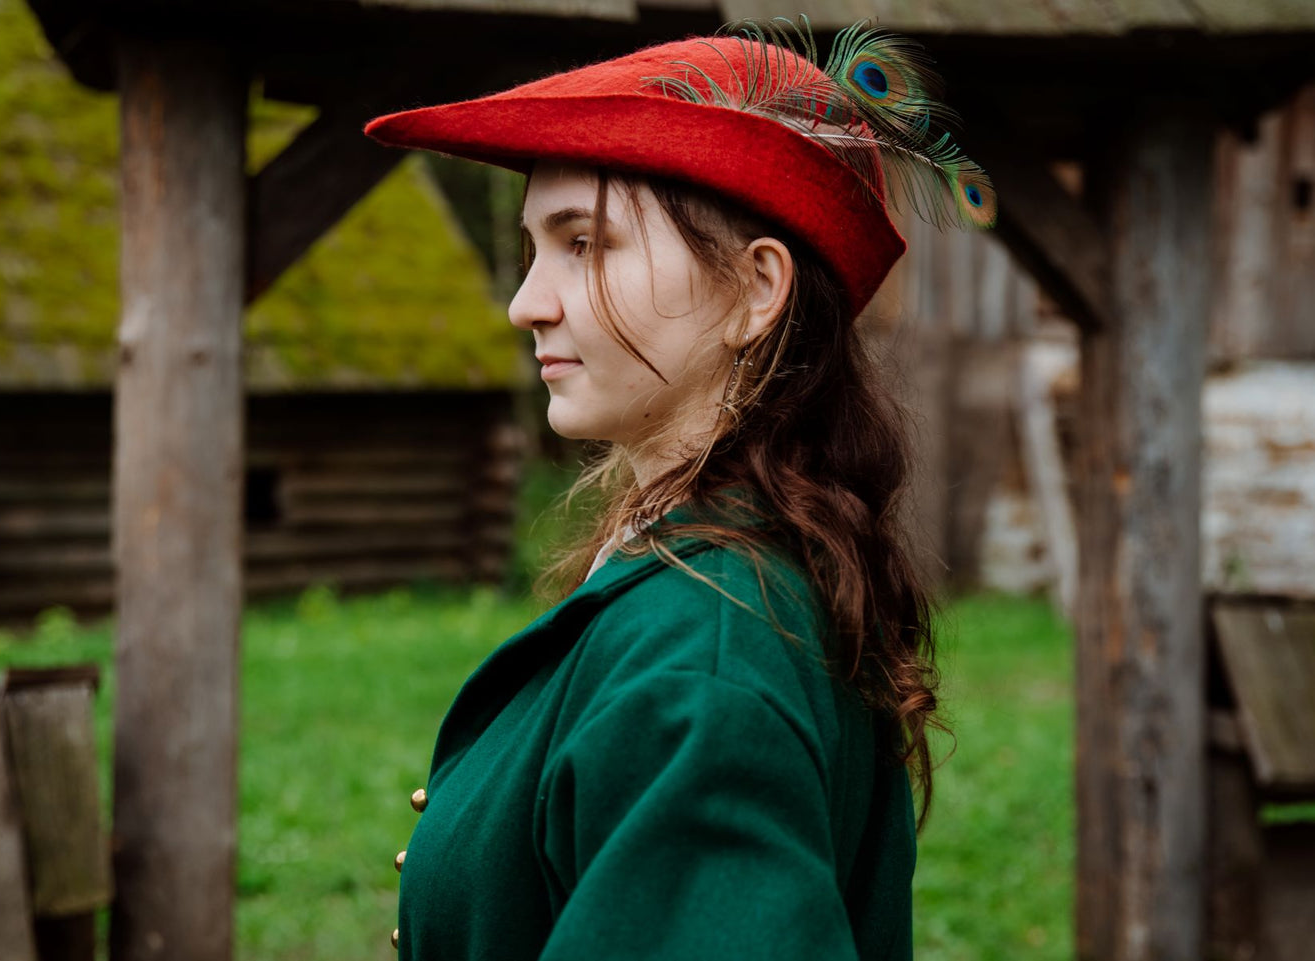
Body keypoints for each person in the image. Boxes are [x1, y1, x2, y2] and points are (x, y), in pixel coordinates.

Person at [364, 18, 994, 961]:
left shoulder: (706, 648)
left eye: (584, 244)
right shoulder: (717, 576)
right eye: (535, 248)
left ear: (755, 289)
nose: (526, 302)